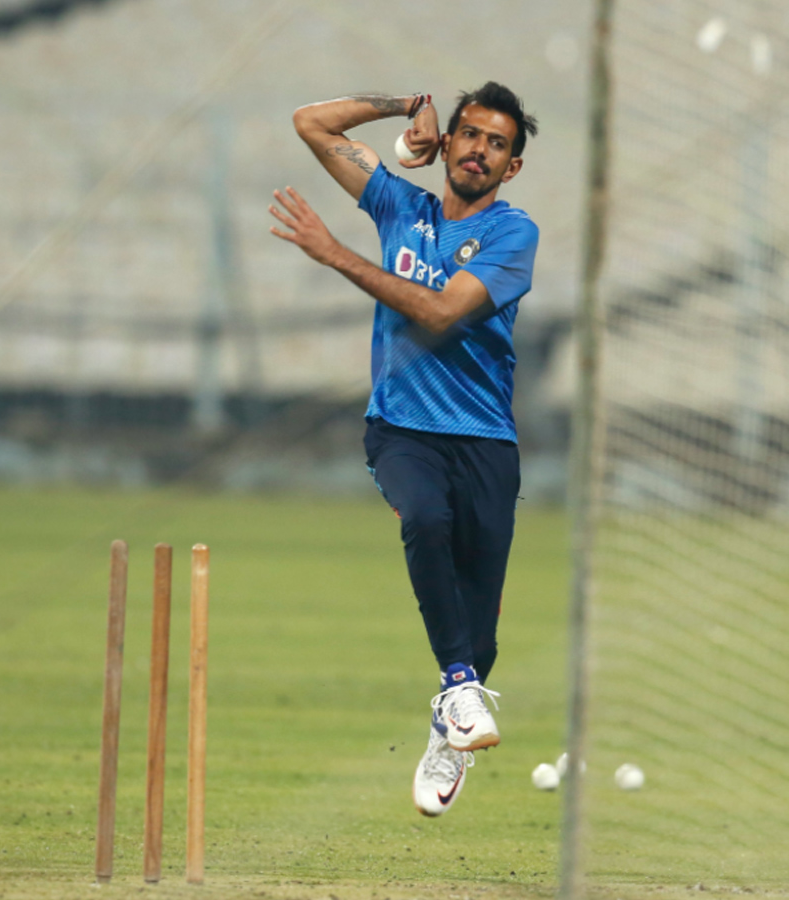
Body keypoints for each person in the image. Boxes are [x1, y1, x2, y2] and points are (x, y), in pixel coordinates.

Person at [269, 83, 539, 817]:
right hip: (402, 427)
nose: (480, 149)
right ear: (446, 145)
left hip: (485, 439)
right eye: (470, 135)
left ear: (510, 167)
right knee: (422, 516)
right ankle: (456, 686)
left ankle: (451, 716)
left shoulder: (515, 236)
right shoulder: (400, 206)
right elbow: (310, 121)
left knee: (481, 633)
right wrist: (400, 107)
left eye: (497, 143)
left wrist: (335, 255)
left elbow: (441, 312)